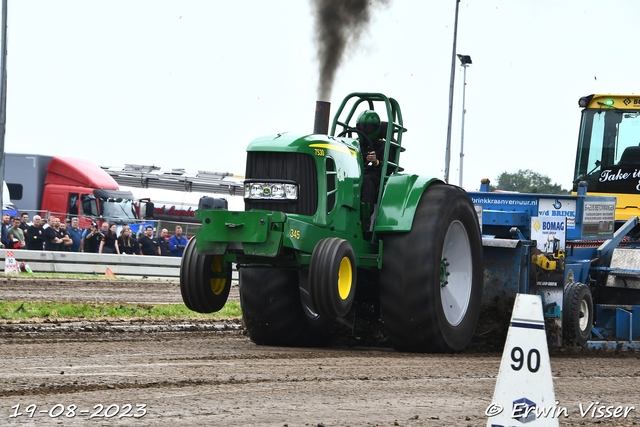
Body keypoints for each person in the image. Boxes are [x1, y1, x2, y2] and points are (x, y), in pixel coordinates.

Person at [356, 110, 386, 205]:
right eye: (362, 128)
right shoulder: (355, 144)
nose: (364, 131)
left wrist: (376, 162)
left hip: (375, 176)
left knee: (367, 179)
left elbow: (388, 169)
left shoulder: (384, 145)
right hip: (356, 173)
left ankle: (366, 215)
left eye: (368, 128)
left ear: (375, 128)